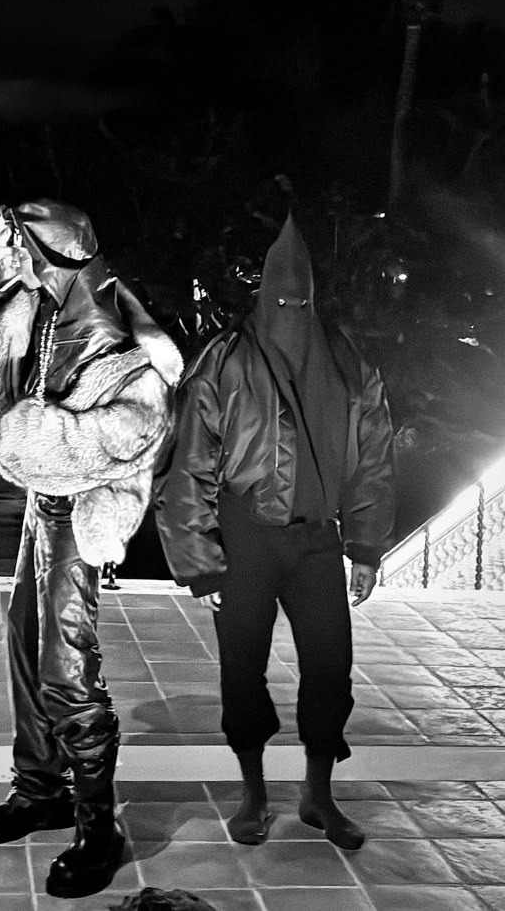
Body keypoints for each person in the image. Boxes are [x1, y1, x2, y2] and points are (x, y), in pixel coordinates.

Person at [0, 199, 182, 899]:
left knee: (65, 671)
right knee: (22, 647)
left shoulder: (133, 365)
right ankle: (39, 789)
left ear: (59, 258)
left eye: (24, 252)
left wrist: (22, 432)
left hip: (81, 518)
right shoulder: (41, 313)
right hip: (39, 511)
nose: (16, 263)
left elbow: (104, 443)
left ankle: (97, 826)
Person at [153, 213, 396, 850]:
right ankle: (254, 794)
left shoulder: (346, 360)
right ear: (263, 296)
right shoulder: (226, 360)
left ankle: (319, 795)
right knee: (243, 671)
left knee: (329, 666)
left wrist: (365, 546)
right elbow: (190, 466)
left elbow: (374, 456)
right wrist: (200, 560)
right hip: (245, 537)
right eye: (280, 300)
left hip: (317, 538)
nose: (291, 311)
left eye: (301, 301)